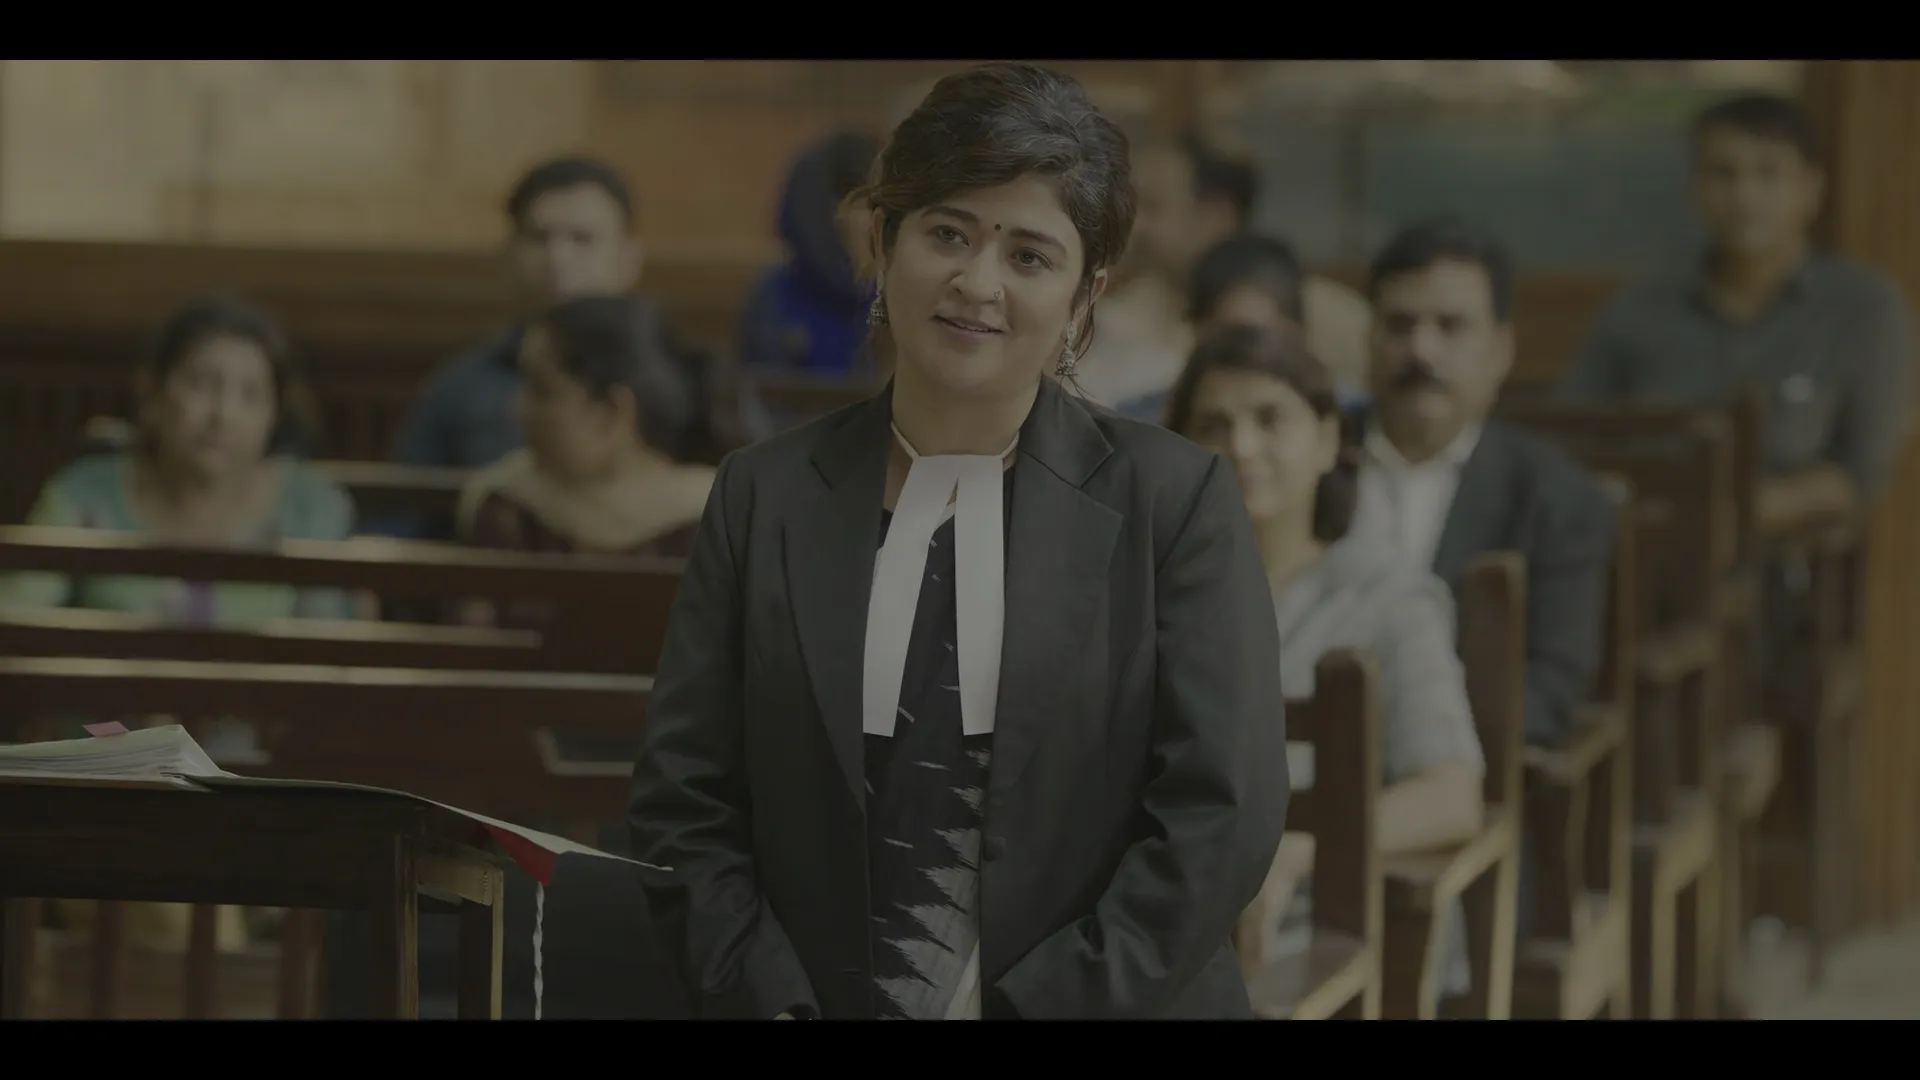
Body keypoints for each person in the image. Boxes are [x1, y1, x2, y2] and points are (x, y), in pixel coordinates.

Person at [628, 62, 1288, 1021]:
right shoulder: (763, 493)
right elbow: (685, 802)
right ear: (882, 241)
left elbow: (1220, 816)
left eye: (1030, 256)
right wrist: (770, 1003)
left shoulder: (1176, 503)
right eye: (947, 233)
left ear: (1086, 295)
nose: (977, 283)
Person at [0, 292, 356, 958]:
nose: (222, 412)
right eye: (201, 384)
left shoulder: (312, 508)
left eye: (249, 393)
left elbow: (331, 671)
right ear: (153, 392)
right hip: (108, 770)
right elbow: (17, 627)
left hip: (259, 783)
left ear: (275, 413)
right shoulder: (84, 493)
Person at [1165, 322, 1485, 1005]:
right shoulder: (1151, 601)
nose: (1241, 446)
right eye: (1213, 425)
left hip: (1319, 936)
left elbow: (1452, 794)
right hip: (1169, 930)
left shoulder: (1389, 600)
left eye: (1270, 419)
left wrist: (1304, 852)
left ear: (1328, 439)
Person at [1563, 92, 1912, 521]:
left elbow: (1862, 472)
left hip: (1790, 551)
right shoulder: (1636, 311)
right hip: (1643, 541)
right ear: (1696, 187)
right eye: (1723, 174)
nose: (1745, 196)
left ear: (1810, 190)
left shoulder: (1863, 308)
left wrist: (1732, 514)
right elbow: (1574, 439)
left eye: (1768, 173)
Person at [1351, 218, 1615, 752]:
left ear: (1501, 350)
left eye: (1450, 327)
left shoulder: (1558, 498)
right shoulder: (1304, 460)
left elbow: (1551, 690)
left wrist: (1418, 752)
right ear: (1370, 340)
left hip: (1471, 773)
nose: (1421, 350)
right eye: (1399, 325)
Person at [388, 156, 744, 537]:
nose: (558, 259)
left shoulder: (687, 377)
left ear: (628, 258)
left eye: (582, 239)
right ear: (508, 256)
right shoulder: (460, 387)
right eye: (539, 238)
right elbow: (398, 521)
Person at [1073, 132, 1374, 410]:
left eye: (1154, 208)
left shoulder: (1334, 319)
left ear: (1217, 215)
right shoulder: (1121, 315)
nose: (1137, 227)